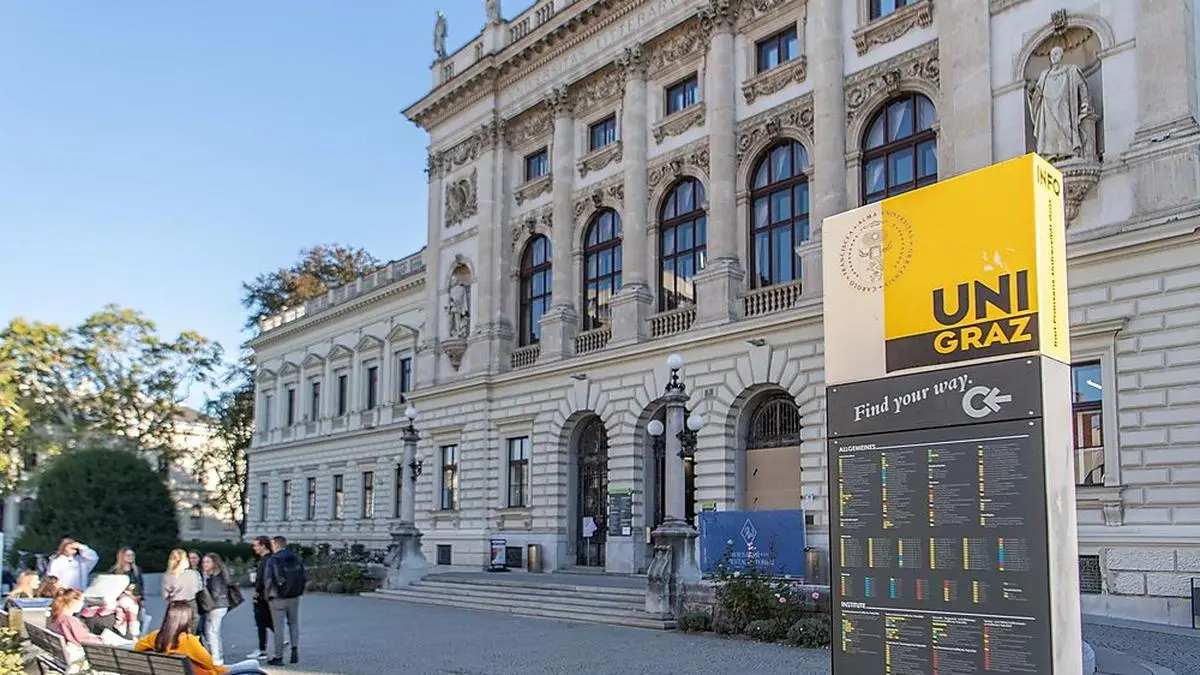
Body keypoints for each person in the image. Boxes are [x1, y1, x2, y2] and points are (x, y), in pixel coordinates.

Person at [135, 600, 263, 675]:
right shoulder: (187, 640)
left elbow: (138, 646)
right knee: (253, 663)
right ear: (186, 619)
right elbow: (208, 663)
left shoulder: (156, 636)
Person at [262, 536, 306, 666]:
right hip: (294, 596)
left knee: (279, 628)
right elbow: (303, 576)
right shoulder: (295, 557)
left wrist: (267, 594)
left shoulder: (273, 559)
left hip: (278, 597)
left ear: (276, 545)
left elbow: (268, 579)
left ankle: (278, 656)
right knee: (293, 623)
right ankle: (294, 650)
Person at [201, 553, 236, 665]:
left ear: (214, 563)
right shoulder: (220, 574)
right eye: (204, 562)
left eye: (208, 562)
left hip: (215, 606)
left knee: (212, 632)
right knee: (214, 632)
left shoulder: (215, 577)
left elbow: (215, 594)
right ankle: (218, 656)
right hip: (221, 605)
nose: (204, 564)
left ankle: (216, 659)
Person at [245, 537, 275, 660]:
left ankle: (262, 650)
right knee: (268, 620)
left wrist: (257, 592)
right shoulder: (272, 558)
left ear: (263, 546)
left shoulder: (264, 560)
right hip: (270, 594)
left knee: (261, 622)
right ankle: (280, 638)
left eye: (256, 545)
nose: (254, 548)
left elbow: (262, 578)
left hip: (262, 595)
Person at [161, 549, 203, 633]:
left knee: (173, 628)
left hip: (175, 603)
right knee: (191, 627)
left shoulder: (168, 575)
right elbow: (198, 589)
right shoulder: (193, 573)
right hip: (190, 602)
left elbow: (165, 594)